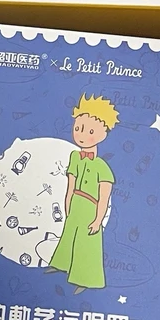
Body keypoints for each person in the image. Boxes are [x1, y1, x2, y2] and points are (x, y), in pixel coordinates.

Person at [48, 94, 119, 293]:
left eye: (90, 131)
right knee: (68, 235)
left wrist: (98, 220)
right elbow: (70, 184)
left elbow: (104, 197)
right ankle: (61, 264)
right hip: (76, 203)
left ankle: (86, 279)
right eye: (78, 128)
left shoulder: (102, 167)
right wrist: (67, 205)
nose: (81, 134)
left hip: (90, 208)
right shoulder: (75, 157)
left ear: (104, 133)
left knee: (87, 243)